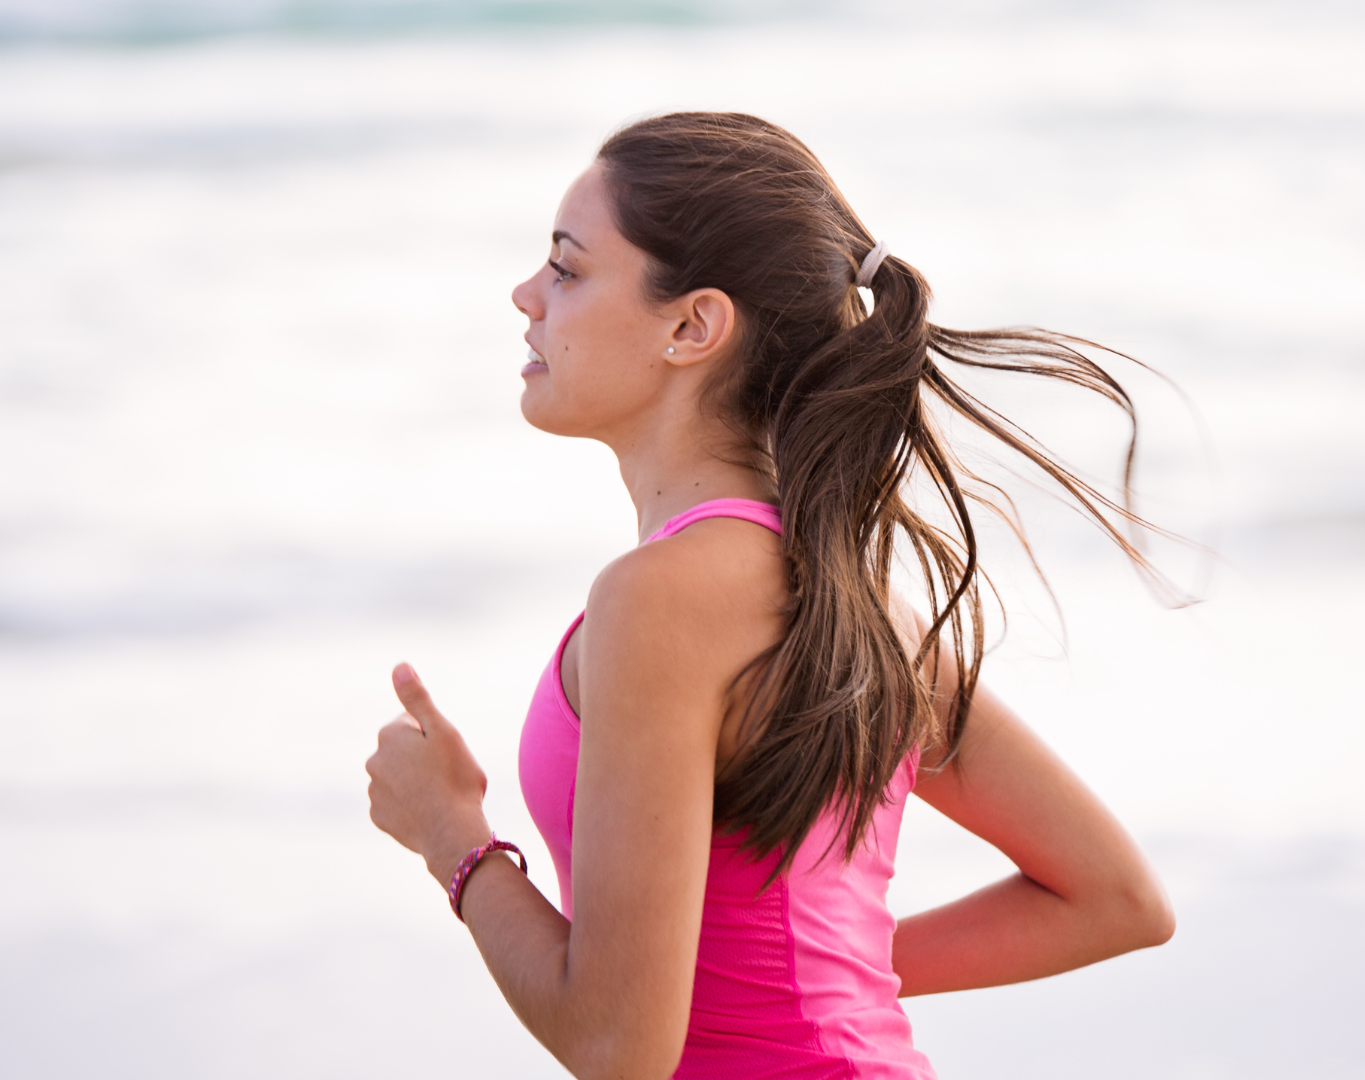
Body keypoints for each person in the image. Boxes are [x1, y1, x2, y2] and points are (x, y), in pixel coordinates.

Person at [365, 111, 1176, 1080]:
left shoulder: (659, 601)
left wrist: (453, 835)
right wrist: (836, 981)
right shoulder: (850, 601)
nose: (525, 295)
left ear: (693, 325)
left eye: (568, 268)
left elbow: (617, 1045)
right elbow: (1114, 897)